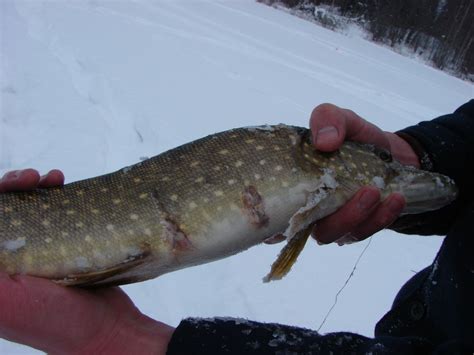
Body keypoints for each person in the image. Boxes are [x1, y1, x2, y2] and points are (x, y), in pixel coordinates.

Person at [0, 101, 472, 354]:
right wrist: (418, 151)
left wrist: (116, 340)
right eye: (384, 165)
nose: (398, 173)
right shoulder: (304, 157)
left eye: (388, 165)